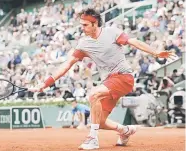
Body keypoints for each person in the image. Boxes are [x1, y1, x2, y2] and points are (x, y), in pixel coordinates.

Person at [30, 8, 175, 150]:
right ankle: (125, 131)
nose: (82, 28)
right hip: (109, 82)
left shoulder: (111, 32)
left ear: (95, 23)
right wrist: (46, 83)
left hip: (124, 77)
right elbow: (67, 64)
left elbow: (133, 41)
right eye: (81, 25)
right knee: (99, 121)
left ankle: (93, 139)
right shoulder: (83, 44)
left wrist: (155, 52)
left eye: (85, 25)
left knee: (94, 94)